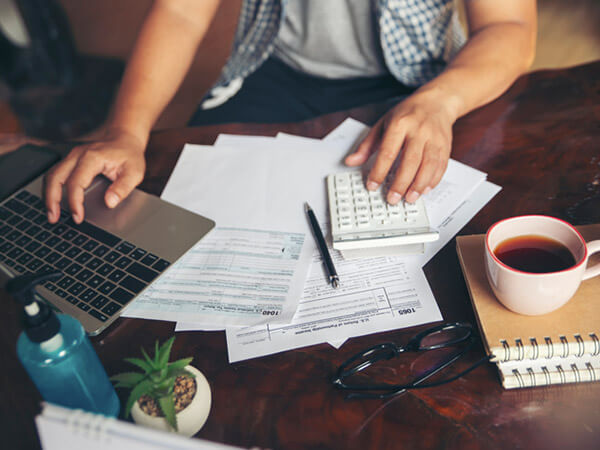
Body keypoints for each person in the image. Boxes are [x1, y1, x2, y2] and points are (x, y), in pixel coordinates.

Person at [44, 0, 537, 225]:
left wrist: (439, 101)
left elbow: (509, 25)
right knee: (181, 215)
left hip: (417, 80)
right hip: (274, 68)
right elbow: (181, 11)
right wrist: (125, 130)